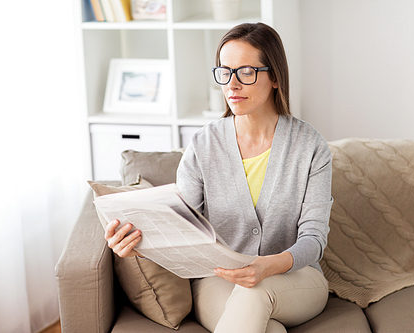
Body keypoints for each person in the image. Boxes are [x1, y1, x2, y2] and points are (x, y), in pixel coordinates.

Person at [105, 22, 333, 333]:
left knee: (258, 290)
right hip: (219, 280)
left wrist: (269, 266)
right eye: (224, 72)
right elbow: (182, 226)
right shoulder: (203, 145)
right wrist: (138, 244)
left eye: (246, 72)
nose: (232, 85)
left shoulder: (310, 146)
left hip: (295, 279)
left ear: (276, 77)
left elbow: (314, 239)